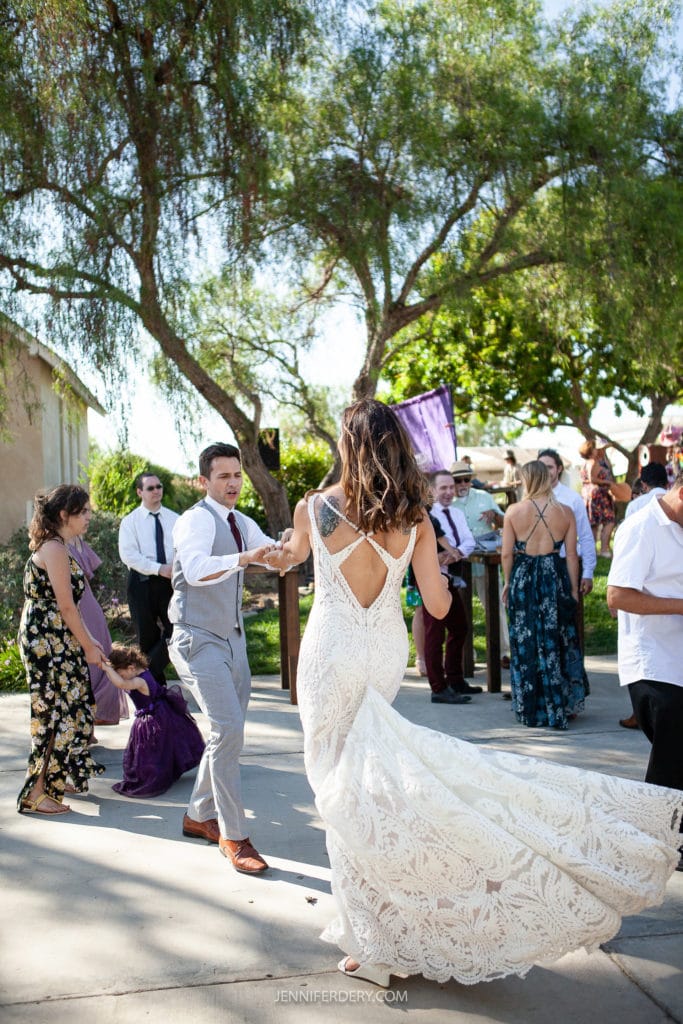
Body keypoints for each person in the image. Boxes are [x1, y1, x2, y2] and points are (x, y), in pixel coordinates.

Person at [263, 400, 681, 988]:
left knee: (339, 790)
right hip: (381, 651)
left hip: (330, 651)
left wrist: (277, 550)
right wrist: (409, 575)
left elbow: (292, 558)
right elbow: (437, 605)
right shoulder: (415, 519)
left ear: (349, 445)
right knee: (371, 786)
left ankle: (373, 939)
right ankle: (382, 927)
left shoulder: (316, 506)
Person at [168, 442, 274, 874]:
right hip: (197, 638)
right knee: (228, 729)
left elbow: (274, 554)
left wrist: (299, 543)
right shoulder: (194, 520)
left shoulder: (241, 521)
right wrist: (246, 558)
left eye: (237, 475)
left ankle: (197, 814)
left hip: (233, 639)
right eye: (224, 476)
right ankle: (234, 834)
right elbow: (194, 570)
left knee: (227, 735)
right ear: (204, 481)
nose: (233, 483)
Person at [17, 485, 106, 815]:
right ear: (63, 515)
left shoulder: (61, 546)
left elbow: (67, 607)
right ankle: (37, 792)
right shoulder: (54, 549)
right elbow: (65, 607)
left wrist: (89, 642)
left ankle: (55, 776)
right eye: (82, 512)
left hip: (55, 637)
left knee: (75, 707)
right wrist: (88, 648)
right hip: (48, 641)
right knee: (55, 712)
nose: (88, 518)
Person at [606, 473, 683, 807]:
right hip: (654, 665)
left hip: (677, 659)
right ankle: (657, 842)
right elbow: (617, 597)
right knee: (670, 768)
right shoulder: (640, 528)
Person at [502, 460, 589, 729]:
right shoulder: (565, 512)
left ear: (528, 480)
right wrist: (573, 589)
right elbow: (572, 555)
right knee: (558, 639)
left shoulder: (514, 511)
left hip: (524, 576)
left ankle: (530, 706)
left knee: (525, 640)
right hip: (554, 575)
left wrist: (507, 582)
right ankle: (560, 703)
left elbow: (506, 553)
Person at [101, 644, 205, 798]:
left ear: (130, 667)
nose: (120, 677)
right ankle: (166, 771)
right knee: (164, 748)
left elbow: (122, 684)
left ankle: (153, 777)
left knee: (149, 752)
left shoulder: (139, 681)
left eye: (121, 674)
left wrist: (106, 669)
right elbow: (121, 681)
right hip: (161, 712)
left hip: (151, 721)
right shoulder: (144, 671)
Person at [423, 469, 479, 700]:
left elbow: (469, 541)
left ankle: (455, 679)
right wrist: (440, 557)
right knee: (434, 632)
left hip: (452, 577)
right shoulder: (426, 514)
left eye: (451, 487)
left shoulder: (456, 513)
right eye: (443, 488)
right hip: (430, 578)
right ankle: (438, 687)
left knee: (459, 627)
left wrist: (455, 555)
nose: (448, 492)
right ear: (432, 490)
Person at [118, 473, 179, 684]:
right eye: (151, 488)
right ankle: (155, 690)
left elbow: (182, 549)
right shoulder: (130, 522)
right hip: (141, 583)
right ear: (139, 492)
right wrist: (158, 568)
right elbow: (129, 555)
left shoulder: (175, 519)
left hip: (169, 582)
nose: (156, 491)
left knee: (176, 632)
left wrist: (171, 569)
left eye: (159, 487)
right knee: (147, 636)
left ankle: (143, 675)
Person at [451, 460, 511, 670]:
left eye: (466, 479)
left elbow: (506, 523)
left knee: (496, 607)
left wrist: (495, 516)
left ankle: (504, 652)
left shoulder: (484, 497)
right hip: (460, 563)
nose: (462, 484)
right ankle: (467, 655)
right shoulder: (448, 502)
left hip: (488, 561)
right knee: (462, 611)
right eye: (458, 480)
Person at [68, 536, 129, 726]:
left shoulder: (78, 540)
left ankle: (93, 717)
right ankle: (85, 720)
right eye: (82, 511)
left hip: (90, 606)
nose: (87, 517)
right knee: (87, 663)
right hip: (78, 608)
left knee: (102, 656)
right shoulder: (57, 545)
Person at [537, 448, 597, 595]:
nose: (545, 471)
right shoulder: (529, 499)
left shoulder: (572, 499)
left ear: (559, 469)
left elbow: (585, 536)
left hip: (566, 566)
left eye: (549, 467)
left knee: (568, 615)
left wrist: (588, 572)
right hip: (536, 567)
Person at [579, 439, 616, 557]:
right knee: (609, 521)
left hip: (588, 495)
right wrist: (607, 482)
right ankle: (604, 549)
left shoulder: (585, 463)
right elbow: (593, 479)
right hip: (598, 495)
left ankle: (592, 550)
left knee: (593, 524)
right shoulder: (593, 462)